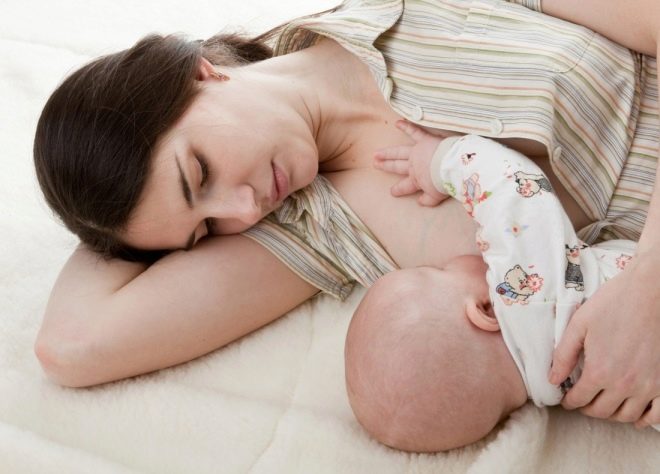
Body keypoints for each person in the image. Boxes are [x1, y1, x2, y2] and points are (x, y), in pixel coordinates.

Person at [32, 0, 659, 434]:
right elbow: (71, 346)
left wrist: (649, 285)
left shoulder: (413, 12)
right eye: (205, 230)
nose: (244, 209)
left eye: (200, 173)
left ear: (200, 72)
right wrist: (112, 212)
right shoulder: (312, 228)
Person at [344, 123, 657, 452]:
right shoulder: (523, 291)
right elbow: (512, 186)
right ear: (484, 309)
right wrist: (441, 161)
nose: (450, 259)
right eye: (439, 270)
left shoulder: (573, 388)